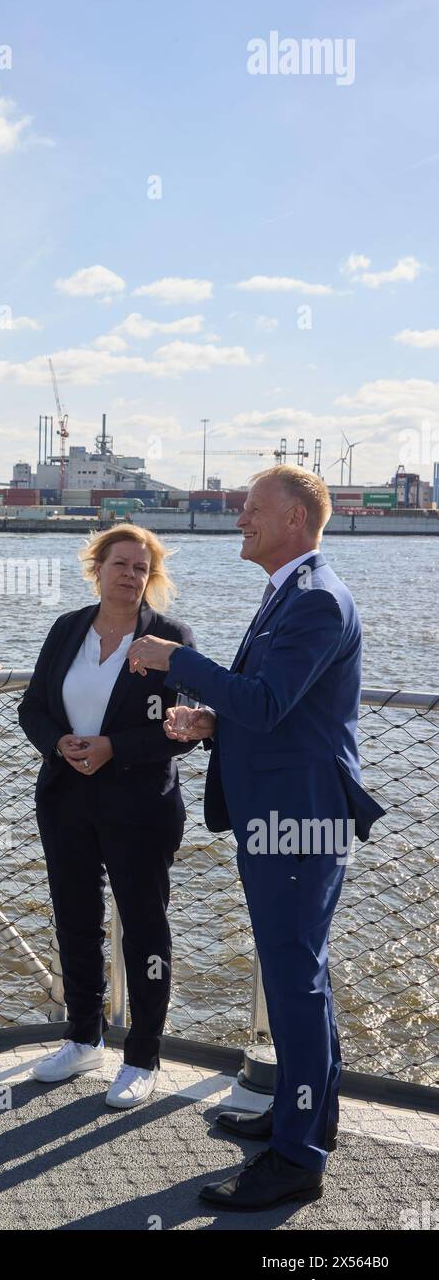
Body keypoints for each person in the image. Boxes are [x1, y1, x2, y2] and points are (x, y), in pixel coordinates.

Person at [127, 465, 384, 1209]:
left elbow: (269, 703)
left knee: (296, 981)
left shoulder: (314, 603)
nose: (240, 519)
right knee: (300, 974)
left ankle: (297, 1157)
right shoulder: (292, 596)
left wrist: (176, 660)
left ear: (297, 521)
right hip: (284, 810)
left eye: (251, 510)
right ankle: (307, 1115)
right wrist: (210, 721)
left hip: (297, 820)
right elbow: (284, 711)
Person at [17, 526, 198, 1109]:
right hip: (67, 797)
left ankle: (142, 1055)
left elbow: (184, 733)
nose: (130, 575)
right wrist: (60, 742)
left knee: (145, 929)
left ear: (152, 578)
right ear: (97, 567)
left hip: (140, 805)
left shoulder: (170, 638)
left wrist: (114, 747)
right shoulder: (67, 629)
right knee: (75, 920)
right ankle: (83, 1035)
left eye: (141, 568)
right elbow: (33, 707)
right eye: (120, 563)